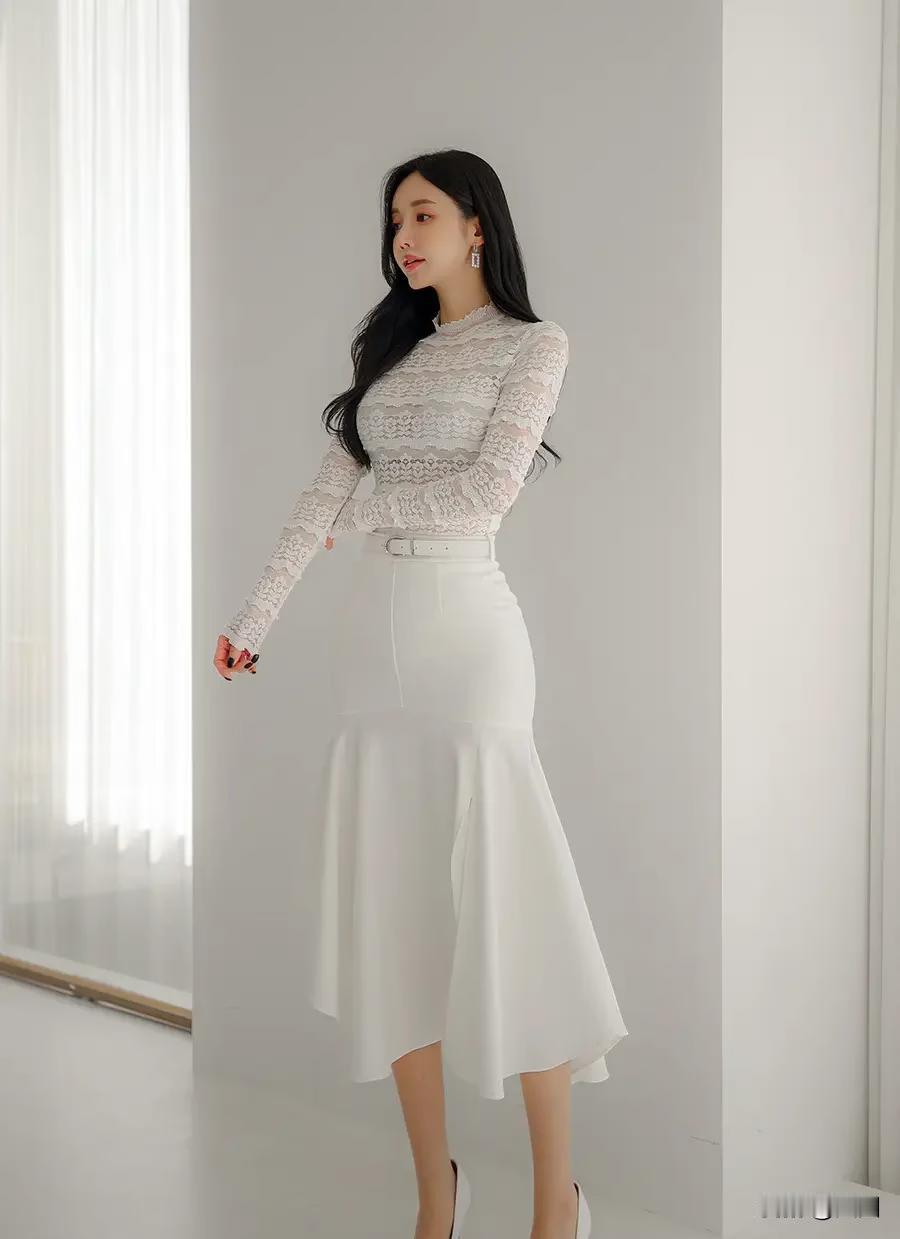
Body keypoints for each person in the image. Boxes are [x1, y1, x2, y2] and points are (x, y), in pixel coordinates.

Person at [214, 149, 626, 1239]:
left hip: (468, 642)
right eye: (395, 218)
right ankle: (436, 1197)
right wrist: (253, 621)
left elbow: (489, 491)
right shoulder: (387, 355)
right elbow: (320, 495)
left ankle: (555, 1204)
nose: (403, 236)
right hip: (371, 648)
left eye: (423, 213)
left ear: (477, 224)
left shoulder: (534, 345)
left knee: (514, 916)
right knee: (394, 920)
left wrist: (369, 514)